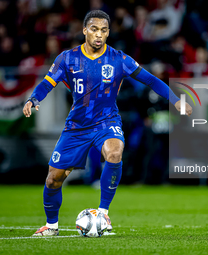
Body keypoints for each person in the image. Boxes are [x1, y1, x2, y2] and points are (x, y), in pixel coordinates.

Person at [23, 10, 192, 237]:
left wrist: (176, 100)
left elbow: (150, 79)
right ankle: (51, 226)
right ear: (84, 30)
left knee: (114, 152)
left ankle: (103, 213)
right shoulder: (67, 58)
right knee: (54, 178)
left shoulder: (119, 59)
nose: (99, 34)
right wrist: (34, 99)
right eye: (94, 29)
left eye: (103, 30)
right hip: (77, 126)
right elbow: (46, 83)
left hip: (107, 121)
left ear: (109, 32)